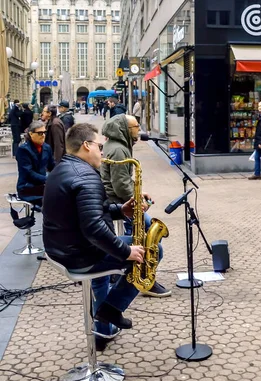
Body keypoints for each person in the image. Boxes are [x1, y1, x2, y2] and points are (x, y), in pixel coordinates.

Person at [43, 123, 153, 350]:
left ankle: (104, 324)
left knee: (121, 259)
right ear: (86, 145)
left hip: (61, 249)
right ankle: (111, 310)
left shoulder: (62, 168)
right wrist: (127, 252)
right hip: (80, 255)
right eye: (99, 146)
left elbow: (83, 214)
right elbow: (93, 228)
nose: (102, 152)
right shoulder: (86, 176)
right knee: (152, 251)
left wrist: (120, 210)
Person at [100, 114, 171, 297]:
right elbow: (120, 185)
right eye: (136, 127)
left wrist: (139, 194)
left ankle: (135, 271)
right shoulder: (118, 150)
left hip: (120, 199)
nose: (139, 130)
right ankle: (144, 278)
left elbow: (123, 181)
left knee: (146, 236)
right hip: (118, 202)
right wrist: (137, 201)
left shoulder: (118, 145)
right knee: (148, 235)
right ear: (125, 128)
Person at [15, 121, 55, 205]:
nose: (43, 135)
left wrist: (62, 173)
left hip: (42, 186)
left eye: (44, 132)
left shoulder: (47, 147)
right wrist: (48, 179)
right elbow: (28, 172)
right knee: (55, 200)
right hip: (27, 188)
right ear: (31, 134)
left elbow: (52, 166)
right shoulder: (23, 150)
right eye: (40, 133)